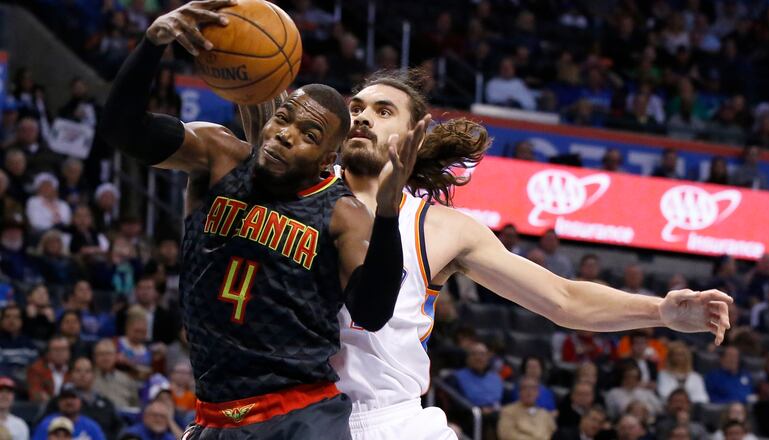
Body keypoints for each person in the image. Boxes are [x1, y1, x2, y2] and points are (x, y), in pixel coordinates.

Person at [241, 69, 733, 440]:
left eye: (384, 110)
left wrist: (661, 310)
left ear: (416, 133)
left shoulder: (442, 228)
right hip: (295, 416)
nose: (363, 116)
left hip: (392, 422)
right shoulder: (297, 194)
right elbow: (251, 129)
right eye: (356, 107)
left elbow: (562, 299)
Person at [98, 2, 414, 438]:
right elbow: (120, 129)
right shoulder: (219, 155)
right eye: (284, 119)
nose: (287, 133)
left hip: (299, 417)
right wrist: (153, 43)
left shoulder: (343, 213)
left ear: (327, 161)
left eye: (310, 135)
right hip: (213, 417)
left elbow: (374, 312)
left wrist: (389, 208)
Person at [32, 384, 105, 440]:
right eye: (65, 397)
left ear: (81, 401)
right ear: (58, 402)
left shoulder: (91, 427)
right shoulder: (47, 425)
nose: (69, 401)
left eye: (73, 397)